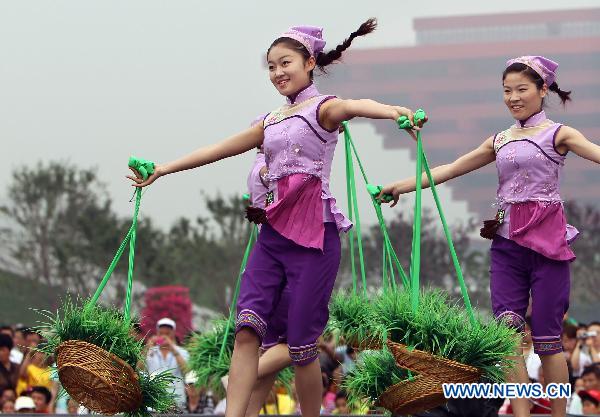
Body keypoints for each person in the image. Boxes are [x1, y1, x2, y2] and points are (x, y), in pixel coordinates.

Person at [128, 18, 423, 417]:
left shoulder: (323, 109)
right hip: (272, 236)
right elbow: (218, 148)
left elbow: (356, 106)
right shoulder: (269, 122)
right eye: (271, 66)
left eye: (285, 63)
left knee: (302, 348)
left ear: (309, 62)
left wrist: (394, 112)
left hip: (316, 237)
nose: (278, 72)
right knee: (247, 329)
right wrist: (163, 169)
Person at [381, 55, 600, 417]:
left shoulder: (559, 133)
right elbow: (451, 168)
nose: (513, 97)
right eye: (507, 91)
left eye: (522, 89)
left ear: (543, 90)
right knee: (506, 335)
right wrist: (400, 187)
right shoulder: (500, 139)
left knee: (547, 340)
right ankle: (520, 412)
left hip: (548, 244)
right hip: (507, 243)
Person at [145, 318, 189, 409]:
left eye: (167, 334)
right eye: (161, 333)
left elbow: (187, 371)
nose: (164, 336)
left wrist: (173, 349)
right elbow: (139, 368)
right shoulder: (150, 350)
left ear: (173, 333)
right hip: (153, 401)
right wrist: (146, 349)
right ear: (157, 333)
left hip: (176, 401)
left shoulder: (183, 352)